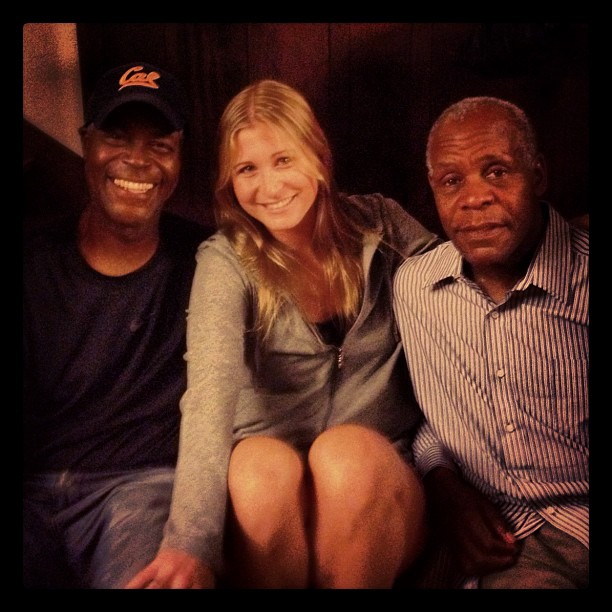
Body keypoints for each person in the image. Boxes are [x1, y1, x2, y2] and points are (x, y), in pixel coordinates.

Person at [126, 78, 440, 589]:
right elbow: (209, 397)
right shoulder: (225, 262)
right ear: (230, 182)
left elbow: (463, 316)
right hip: (270, 503)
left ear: (318, 154)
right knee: (254, 464)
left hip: (375, 484)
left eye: (283, 160)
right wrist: (189, 543)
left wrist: (451, 474)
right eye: (247, 169)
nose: (268, 188)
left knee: (345, 454)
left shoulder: (383, 226)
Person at [23, 62, 213, 588]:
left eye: (159, 144)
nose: (137, 159)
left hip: (142, 486)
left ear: (179, 159)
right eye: (116, 136)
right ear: (86, 143)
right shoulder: (34, 260)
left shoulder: (208, 262)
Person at [393, 96, 589, 589]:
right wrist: (442, 482)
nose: (474, 198)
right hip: (474, 524)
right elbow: (430, 413)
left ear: (538, 176)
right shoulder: (417, 288)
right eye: (451, 181)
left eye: (497, 172)